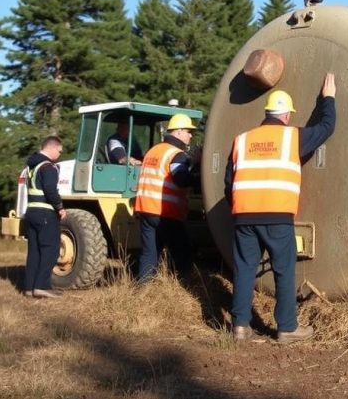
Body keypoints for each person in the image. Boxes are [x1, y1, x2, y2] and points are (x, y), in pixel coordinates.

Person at [226, 73, 337, 343]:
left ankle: (240, 326)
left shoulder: (242, 140)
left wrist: (240, 207)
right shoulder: (292, 138)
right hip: (277, 216)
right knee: (283, 270)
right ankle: (286, 327)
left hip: (243, 217)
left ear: (266, 113)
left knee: (244, 269)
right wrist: (329, 98)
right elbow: (326, 128)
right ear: (286, 115)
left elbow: (228, 181)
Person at [134, 113, 200, 282]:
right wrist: (198, 172)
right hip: (165, 211)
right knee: (183, 252)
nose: (191, 135)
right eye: (188, 131)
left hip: (145, 208)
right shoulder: (177, 154)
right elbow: (181, 179)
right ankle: (188, 287)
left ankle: (143, 291)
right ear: (178, 132)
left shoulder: (153, 151)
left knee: (150, 253)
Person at [23, 135, 67, 299]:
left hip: (31, 213)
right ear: (52, 148)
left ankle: (30, 287)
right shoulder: (48, 167)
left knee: (34, 251)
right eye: (60, 151)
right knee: (51, 250)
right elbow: (50, 190)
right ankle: (41, 286)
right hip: (45, 213)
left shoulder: (32, 166)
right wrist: (60, 207)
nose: (60, 155)